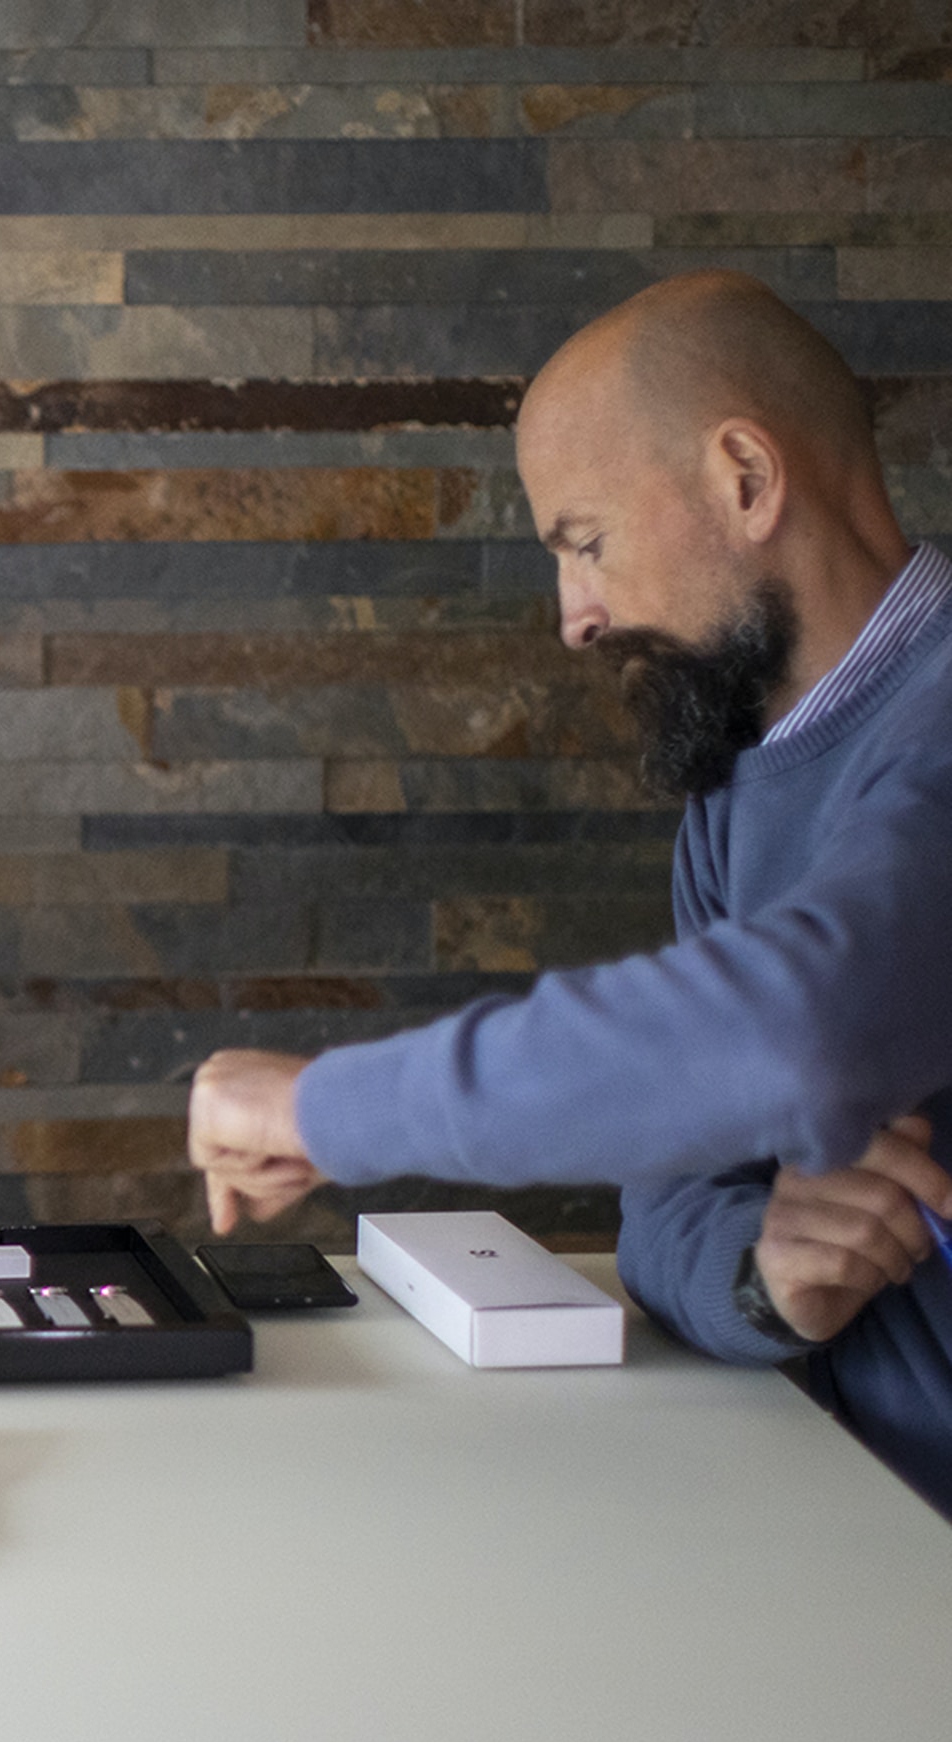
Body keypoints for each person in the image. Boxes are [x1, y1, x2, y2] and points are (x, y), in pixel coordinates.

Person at [185, 269, 952, 1511]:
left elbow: (786, 1035)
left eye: (584, 545)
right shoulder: (739, 790)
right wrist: (765, 1278)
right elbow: (666, 1196)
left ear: (744, 480)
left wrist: (323, 1111)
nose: (573, 619)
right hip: (852, 1521)